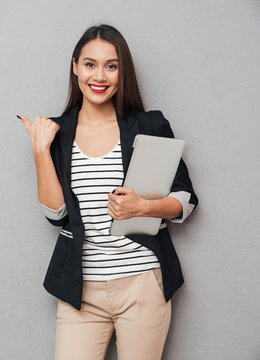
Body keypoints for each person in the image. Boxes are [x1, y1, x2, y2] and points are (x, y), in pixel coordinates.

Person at [16, 24, 198, 360]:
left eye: (111, 66)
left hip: (143, 282)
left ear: (121, 71)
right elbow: (56, 216)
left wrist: (144, 207)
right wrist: (40, 150)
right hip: (80, 287)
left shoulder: (149, 125)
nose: (100, 76)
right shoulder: (57, 132)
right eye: (90, 64)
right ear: (75, 67)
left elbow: (186, 201)